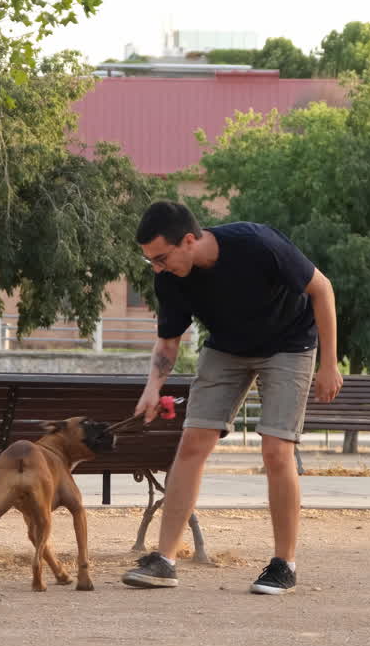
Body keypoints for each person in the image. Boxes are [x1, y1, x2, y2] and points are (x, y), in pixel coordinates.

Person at [121, 201, 342, 595]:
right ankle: (164, 561)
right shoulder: (170, 278)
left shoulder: (257, 244)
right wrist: (152, 388)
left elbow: (321, 288)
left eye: (161, 257)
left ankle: (283, 565)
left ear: (189, 240)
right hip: (227, 348)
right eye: (150, 261)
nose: (157, 267)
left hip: (288, 344)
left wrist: (329, 364)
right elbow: (168, 340)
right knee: (192, 443)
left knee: (276, 450)